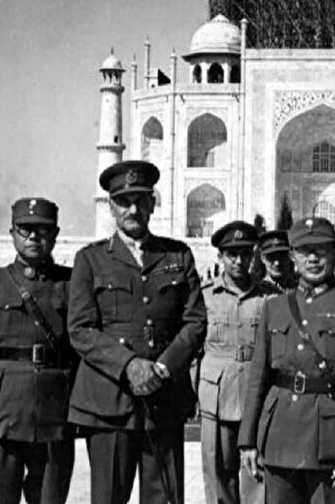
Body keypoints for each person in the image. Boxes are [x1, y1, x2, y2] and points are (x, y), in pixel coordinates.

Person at [68, 160, 206, 504]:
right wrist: (130, 365)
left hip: (164, 399)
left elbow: (195, 322)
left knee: (165, 498)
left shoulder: (177, 255)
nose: (133, 209)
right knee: (108, 496)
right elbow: (81, 329)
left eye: (141, 200)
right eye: (124, 201)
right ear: (112, 206)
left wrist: (161, 368)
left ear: (152, 204)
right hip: (110, 402)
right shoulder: (90, 260)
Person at [239, 217, 335, 504]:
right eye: (305, 251)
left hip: (334, 441)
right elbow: (258, 379)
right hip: (280, 437)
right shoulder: (275, 308)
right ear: (292, 256)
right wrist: (248, 440)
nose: (313, 258)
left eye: (321, 250)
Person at [0, 198, 75, 504]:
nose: (34, 237)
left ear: (56, 233)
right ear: (12, 233)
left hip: (54, 414)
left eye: (43, 230)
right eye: (25, 229)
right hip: (1, 415)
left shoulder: (71, 283)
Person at [199, 221, 270, 504]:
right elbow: (195, 349)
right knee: (219, 477)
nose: (239, 261)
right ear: (220, 257)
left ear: (253, 256)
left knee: (256, 477)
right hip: (217, 396)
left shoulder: (269, 297)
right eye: (231, 254)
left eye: (244, 254)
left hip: (257, 398)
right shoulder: (205, 296)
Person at [255, 229, 297, 294]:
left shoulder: (301, 288)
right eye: (271, 257)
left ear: (290, 256)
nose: (277, 263)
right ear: (263, 258)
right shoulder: (258, 293)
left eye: (282, 256)